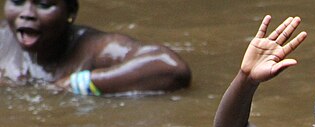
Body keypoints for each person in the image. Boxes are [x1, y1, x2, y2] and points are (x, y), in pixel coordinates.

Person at [1, 0, 190, 94]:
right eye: (17, 1)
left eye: (44, 4)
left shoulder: (96, 47)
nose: (26, 14)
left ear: (71, 13)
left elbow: (170, 68)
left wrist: (75, 84)